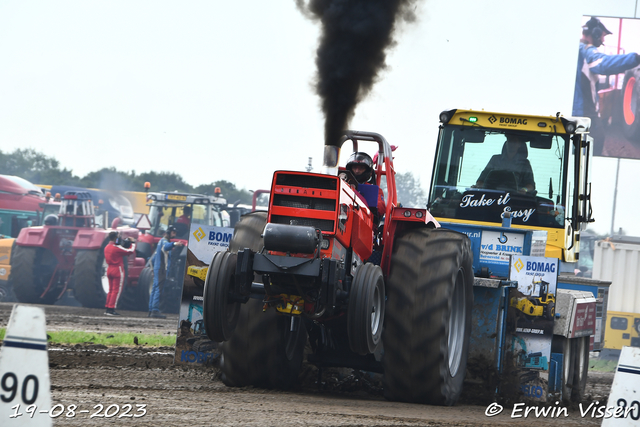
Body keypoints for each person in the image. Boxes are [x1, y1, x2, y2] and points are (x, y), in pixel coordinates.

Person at [573, 16, 640, 156]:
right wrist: (636, 58)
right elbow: (604, 64)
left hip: (574, 114)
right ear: (595, 33)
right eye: (603, 36)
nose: (603, 40)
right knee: (593, 143)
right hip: (584, 115)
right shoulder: (586, 51)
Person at [149, 225, 184, 319]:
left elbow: (152, 260)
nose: (174, 235)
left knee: (154, 289)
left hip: (157, 269)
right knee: (159, 289)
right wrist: (175, 244)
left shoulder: (160, 242)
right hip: (162, 269)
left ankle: (151, 309)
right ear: (169, 232)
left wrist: (153, 269)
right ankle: (155, 310)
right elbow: (166, 247)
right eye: (173, 232)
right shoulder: (164, 241)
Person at [104, 231, 136, 316]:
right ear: (115, 238)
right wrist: (132, 242)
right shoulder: (116, 248)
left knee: (110, 290)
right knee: (116, 290)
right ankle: (112, 308)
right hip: (117, 269)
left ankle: (107, 307)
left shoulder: (107, 247)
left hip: (109, 268)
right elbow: (130, 251)